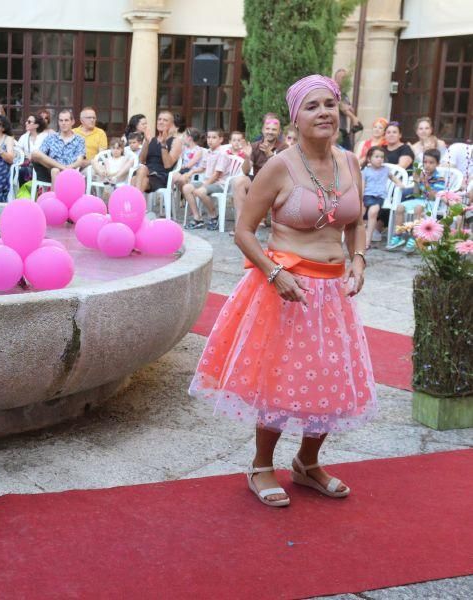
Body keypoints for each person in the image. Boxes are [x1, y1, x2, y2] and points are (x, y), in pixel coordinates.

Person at [191, 74, 373, 508]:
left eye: (330, 103)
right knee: (279, 384)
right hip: (285, 287)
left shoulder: (350, 162)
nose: (324, 112)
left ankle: (307, 464)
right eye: (312, 106)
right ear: (295, 118)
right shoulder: (280, 166)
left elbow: (356, 223)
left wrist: (359, 260)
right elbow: (244, 231)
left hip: (332, 292)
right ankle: (260, 465)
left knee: (328, 382)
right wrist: (274, 273)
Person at [231, 117, 288, 232]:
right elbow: (246, 171)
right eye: (267, 129)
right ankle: (240, 226)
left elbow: (281, 170)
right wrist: (247, 157)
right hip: (258, 182)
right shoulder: (254, 146)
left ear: (278, 132)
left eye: (273, 129)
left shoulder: (284, 147)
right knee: (238, 181)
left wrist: (269, 153)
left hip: (275, 185)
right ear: (263, 130)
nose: (270, 132)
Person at [386, 148, 447, 252]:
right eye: (425, 162)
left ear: (437, 163)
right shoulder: (422, 174)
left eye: (431, 162)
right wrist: (416, 182)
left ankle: (415, 237)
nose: (427, 165)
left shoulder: (439, 178)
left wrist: (425, 182)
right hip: (418, 200)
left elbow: (433, 196)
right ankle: (398, 235)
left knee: (418, 208)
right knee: (400, 207)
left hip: (431, 203)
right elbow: (416, 193)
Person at [182, 128, 230, 230]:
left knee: (200, 192)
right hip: (208, 182)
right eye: (208, 137)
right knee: (186, 188)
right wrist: (191, 172)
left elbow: (217, 174)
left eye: (214, 137)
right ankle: (197, 218)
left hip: (219, 184)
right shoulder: (208, 152)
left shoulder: (222, 153)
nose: (210, 140)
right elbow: (202, 168)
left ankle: (214, 216)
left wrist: (204, 185)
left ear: (221, 139)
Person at [131, 110, 183, 195]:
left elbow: (168, 165)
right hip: (146, 173)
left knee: (137, 178)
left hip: (161, 175)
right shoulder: (151, 139)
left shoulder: (176, 141)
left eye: (165, 120)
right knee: (141, 173)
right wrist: (146, 142)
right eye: (159, 119)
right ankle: (138, 205)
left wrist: (163, 144)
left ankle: (134, 205)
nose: (161, 122)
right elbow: (141, 160)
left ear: (171, 124)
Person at [30, 108, 87, 185]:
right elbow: (38, 155)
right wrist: (62, 167)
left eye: (66, 120)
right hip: (49, 172)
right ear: (58, 122)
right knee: (35, 153)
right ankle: (61, 168)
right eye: (61, 120)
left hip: (70, 172)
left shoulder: (79, 140)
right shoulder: (51, 138)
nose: (63, 123)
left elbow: (79, 161)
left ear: (72, 122)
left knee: (55, 170)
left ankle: (55, 196)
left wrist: (68, 168)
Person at [361, 146, 402, 250]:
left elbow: (392, 177)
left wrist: (399, 184)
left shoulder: (385, 170)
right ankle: (358, 236)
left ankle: (367, 240)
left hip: (378, 196)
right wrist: (360, 199)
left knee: (373, 212)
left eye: (382, 157)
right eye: (377, 156)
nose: (380, 159)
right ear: (369, 159)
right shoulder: (365, 170)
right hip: (366, 195)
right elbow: (362, 185)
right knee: (360, 214)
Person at [333, 68, 362, 150]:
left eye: (346, 78)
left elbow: (347, 108)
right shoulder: (333, 91)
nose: (344, 80)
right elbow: (341, 106)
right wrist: (353, 118)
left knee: (347, 152)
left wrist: (349, 108)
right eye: (342, 77)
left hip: (343, 129)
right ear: (336, 79)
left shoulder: (344, 94)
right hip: (336, 129)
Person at [169, 127, 204, 194]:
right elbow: (179, 158)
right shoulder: (184, 148)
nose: (182, 138)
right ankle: (172, 197)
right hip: (183, 171)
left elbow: (189, 165)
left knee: (179, 179)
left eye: (184, 136)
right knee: (172, 177)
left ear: (189, 138)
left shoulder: (198, 150)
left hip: (192, 172)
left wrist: (180, 167)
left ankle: (185, 198)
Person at [17, 114, 48, 185]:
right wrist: (24, 154)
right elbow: (17, 152)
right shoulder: (24, 137)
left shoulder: (45, 137)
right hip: (27, 166)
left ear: (36, 125)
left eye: (29, 122)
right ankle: (24, 192)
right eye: (26, 121)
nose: (26, 123)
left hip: (41, 167)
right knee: (22, 171)